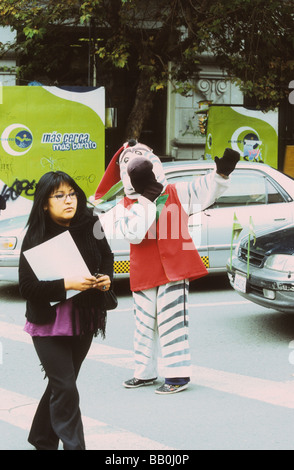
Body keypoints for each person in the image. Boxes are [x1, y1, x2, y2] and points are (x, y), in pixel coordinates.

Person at [95, 142, 239, 395]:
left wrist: (221, 174)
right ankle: (144, 372)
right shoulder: (125, 206)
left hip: (174, 270)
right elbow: (134, 234)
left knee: (172, 323)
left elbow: (203, 190)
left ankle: (177, 374)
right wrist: (146, 201)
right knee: (143, 325)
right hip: (144, 272)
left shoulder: (174, 192)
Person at [19, 171, 113, 450]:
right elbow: (27, 287)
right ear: (45, 203)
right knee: (66, 387)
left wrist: (106, 278)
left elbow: (106, 256)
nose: (68, 200)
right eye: (59, 196)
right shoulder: (36, 234)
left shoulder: (91, 223)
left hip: (84, 318)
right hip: (48, 323)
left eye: (71, 193)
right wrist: (66, 284)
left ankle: (42, 439)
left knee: (62, 385)